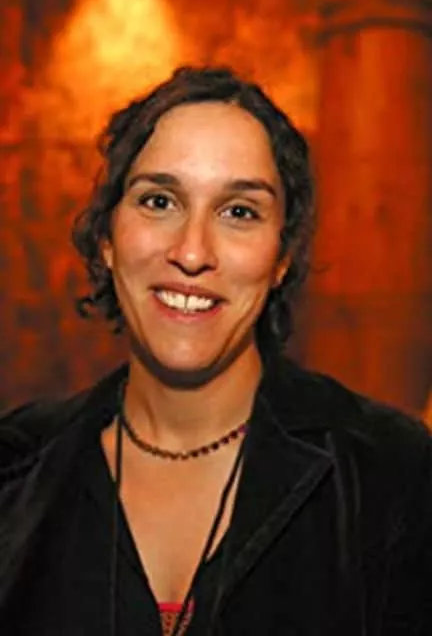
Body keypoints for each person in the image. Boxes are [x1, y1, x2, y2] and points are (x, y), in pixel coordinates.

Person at [0, 66, 431, 636]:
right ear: (107, 238)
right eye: (159, 200)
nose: (192, 251)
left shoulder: (394, 475)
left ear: (281, 259)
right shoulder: (14, 470)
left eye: (239, 212)